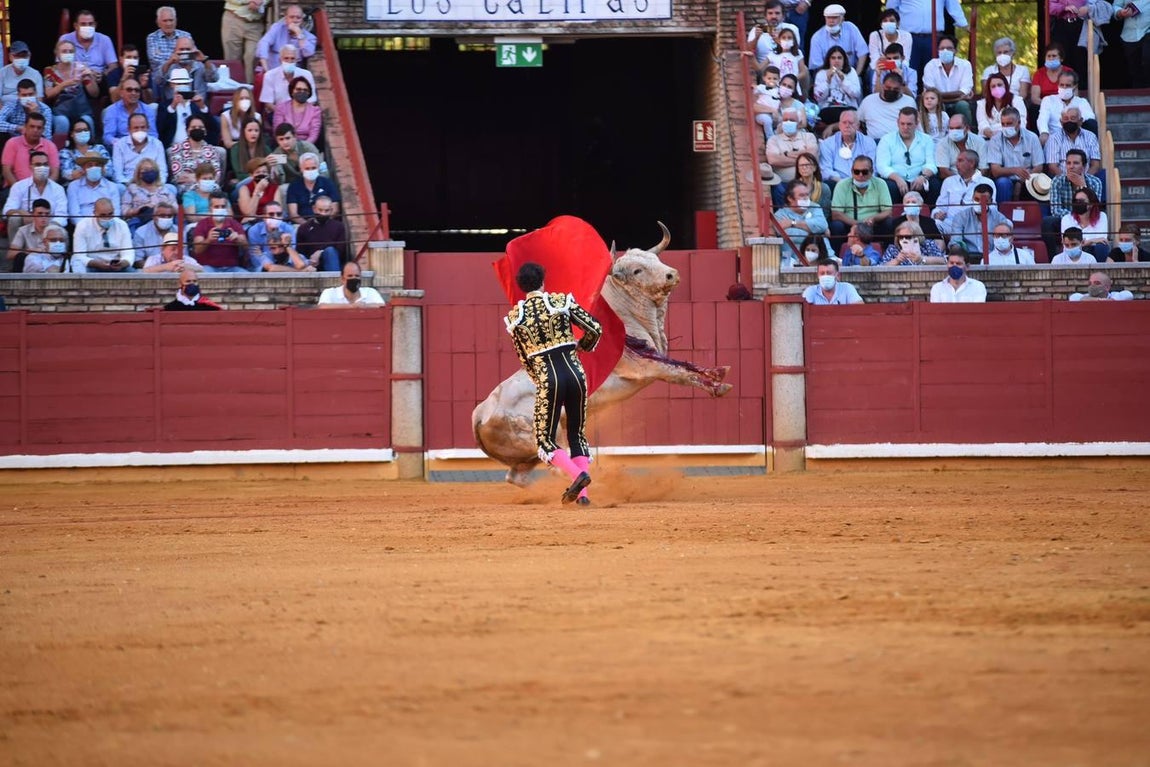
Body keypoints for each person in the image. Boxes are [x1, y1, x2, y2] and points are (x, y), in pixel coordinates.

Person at [503, 261, 601, 505]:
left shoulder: (516, 318)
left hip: (548, 377)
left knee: (545, 440)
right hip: (576, 374)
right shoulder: (560, 302)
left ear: (521, 287)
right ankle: (583, 497)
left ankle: (578, 476)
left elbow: (524, 358)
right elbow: (595, 328)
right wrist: (582, 347)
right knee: (576, 434)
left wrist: (541, 381)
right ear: (543, 281)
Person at [884, 0, 969, 76]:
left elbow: (953, 5)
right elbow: (891, 8)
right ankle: (909, 93)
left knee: (934, 71)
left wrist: (964, 24)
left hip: (934, 37)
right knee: (909, 70)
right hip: (909, 37)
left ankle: (932, 94)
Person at [1044, 149, 1103, 253]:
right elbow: (1055, 210)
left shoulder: (1095, 182)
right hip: (1064, 220)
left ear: (1084, 167)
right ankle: (1054, 258)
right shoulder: (1057, 181)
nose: (1071, 166)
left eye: (1075, 163)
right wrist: (1073, 217)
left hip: (1087, 220)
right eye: (1068, 163)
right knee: (1048, 222)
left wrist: (1083, 186)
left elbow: (1095, 208)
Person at [877, 107, 940, 204]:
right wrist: (898, 179)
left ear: (916, 123)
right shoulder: (886, 140)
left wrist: (923, 177)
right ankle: (892, 217)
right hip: (895, 180)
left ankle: (930, 216)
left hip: (919, 178)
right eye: (902, 124)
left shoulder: (927, 139)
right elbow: (882, 166)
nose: (905, 127)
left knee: (934, 184)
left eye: (909, 124)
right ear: (897, 122)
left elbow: (931, 164)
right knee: (888, 186)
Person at [986, 107, 1044, 202]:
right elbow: (995, 170)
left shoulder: (1032, 137)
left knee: (1036, 184)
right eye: (1003, 124)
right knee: (1003, 183)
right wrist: (1015, 170)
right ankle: (1002, 215)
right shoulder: (995, 140)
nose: (1006, 127)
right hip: (1006, 179)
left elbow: (1038, 166)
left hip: (1028, 178)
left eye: (1009, 124)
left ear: (1019, 123)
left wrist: (1021, 181)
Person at [42, 39, 99, 136]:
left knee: (87, 120)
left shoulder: (80, 68)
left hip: (82, 111)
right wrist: (65, 84)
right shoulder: (50, 71)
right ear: (57, 53)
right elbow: (49, 94)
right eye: (64, 51)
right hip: (60, 112)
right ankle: (58, 149)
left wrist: (90, 78)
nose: (67, 53)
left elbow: (94, 94)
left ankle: (91, 148)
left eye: (70, 51)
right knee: (62, 122)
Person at [830, 156, 893, 242]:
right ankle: (836, 254)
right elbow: (836, 214)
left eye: (865, 172)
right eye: (856, 172)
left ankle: (887, 252)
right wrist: (858, 224)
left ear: (871, 172)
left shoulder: (880, 184)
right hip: (850, 226)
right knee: (836, 225)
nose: (860, 175)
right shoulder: (842, 185)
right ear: (852, 172)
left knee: (889, 223)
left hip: (873, 226)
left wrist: (874, 218)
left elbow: (888, 211)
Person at [3, 152, 67, 231]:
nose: (42, 167)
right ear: (30, 166)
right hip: (26, 228)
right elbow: (7, 211)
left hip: (50, 228)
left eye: (45, 164)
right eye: (38, 164)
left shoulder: (58, 189)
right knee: (14, 218)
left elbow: (62, 216)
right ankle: (15, 243)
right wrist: (21, 212)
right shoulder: (19, 186)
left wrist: (48, 225)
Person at [932, 150, 989, 237]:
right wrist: (937, 214)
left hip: (975, 225)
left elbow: (992, 209)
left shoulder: (987, 182)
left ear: (972, 163)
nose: (956, 164)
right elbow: (940, 207)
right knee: (934, 224)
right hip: (950, 224)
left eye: (960, 160)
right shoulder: (949, 181)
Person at [765, 110, 818, 204]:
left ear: (799, 123)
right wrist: (803, 157)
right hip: (784, 184)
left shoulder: (809, 137)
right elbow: (773, 160)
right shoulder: (773, 140)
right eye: (785, 120)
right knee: (778, 188)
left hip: (807, 182)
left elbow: (811, 156)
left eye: (792, 120)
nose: (788, 122)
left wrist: (786, 154)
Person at [156, 68, 217, 147]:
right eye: (178, 84)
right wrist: (173, 106)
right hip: (174, 147)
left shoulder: (196, 104)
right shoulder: (165, 106)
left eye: (185, 83)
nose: (182, 86)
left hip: (198, 145)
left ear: (189, 85)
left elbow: (213, 128)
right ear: (172, 85)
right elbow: (161, 129)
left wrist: (203, 107)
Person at [921, 35, 974, 125]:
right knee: (937, 105)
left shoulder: (965, 65)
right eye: (942, 48)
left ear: (955, 51)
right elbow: (931, 93)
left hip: (957, 103)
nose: (945, 51)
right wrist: (957, 97)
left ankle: (968, 133)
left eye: (949, 48)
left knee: (963, 105)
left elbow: (964, 91)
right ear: (938, 51)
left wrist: (939, 96)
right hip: (939, 104)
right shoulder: (930, 66)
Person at [774, 181, 829, 265]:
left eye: (807, 194)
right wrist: (819, 233)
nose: (806, 198)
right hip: (794, 260)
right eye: (801, 195)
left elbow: (822, 225)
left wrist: (793, 223)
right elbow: (792, 236)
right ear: (790, 198)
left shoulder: (815, 207)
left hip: (825, 257)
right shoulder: (780, 215)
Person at [72, 198, 134, 273]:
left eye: (111, 214)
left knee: (134, 275)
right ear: (94, 213)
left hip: (116, 265)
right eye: (103, 215)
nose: (107, 218)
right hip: (92, 265)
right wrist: (97, 264)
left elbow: (128, 253)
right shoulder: (83, 226)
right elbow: (79, 255)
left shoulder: (122, 225)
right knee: (77, 263)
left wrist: (122, 263)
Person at [818, 109, 876, 187]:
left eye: (851, 123)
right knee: (827, 185)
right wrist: (842, 182)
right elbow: (825, 169)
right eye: (844, 122)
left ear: (857, 125)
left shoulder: (868, 142)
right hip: (837, 182)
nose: (847, 126)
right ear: (839, 125)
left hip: (863, 179)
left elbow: (872, 167)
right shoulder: (828, 143)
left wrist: (859, 179)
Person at [192, 192, 248, 272]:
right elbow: (197, 250)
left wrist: (237, 238)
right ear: (210, 208)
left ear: (226, 208)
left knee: (247, 277)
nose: (220, 209)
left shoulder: (234, 224)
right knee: (204, 274)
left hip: (232, 268)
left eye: (223, 206)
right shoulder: (202, 224)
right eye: (216, 207)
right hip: (208, 267)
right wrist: (208, 240)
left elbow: (246, 246)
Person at [121, 159, 177, 238]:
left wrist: (162, 207)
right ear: (139, 174)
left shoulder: (165, 189)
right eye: (146, 170)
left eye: (152, 170)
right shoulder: (131, 189)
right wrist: (139, 209)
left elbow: (176, 208)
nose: (149, 172)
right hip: (140, 220)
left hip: (164, 218)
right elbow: (124, 211)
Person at [153, 36, 217, 105]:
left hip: (197, 107)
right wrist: (169, 63)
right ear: (175, 51)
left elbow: (214, 79)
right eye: (181, 49)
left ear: (194, 50)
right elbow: (158, 81)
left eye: (188, 49)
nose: (185, 52)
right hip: (174, 107)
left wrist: (205, 61)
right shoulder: (168, 65)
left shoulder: (201, 65)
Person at [168, 115, 225, 192]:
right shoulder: (177, 149)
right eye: (193, 127)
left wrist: (192, 177)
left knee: (216, 189)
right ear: (187, 131)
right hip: (185, 187)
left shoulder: (212, 150)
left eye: (201, 127)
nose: (197, 129)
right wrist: (204, 178)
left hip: (209, 186)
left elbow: (216, 175)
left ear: (205, 131)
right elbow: (179, 177)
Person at [1037, 71, 1096, 144]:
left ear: (1075, 86)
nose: (1064, 88)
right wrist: (1044, 132)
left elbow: (1090, 118)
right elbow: (1043, 118)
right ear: (1058, 85)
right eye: (1062, 85)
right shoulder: (1048, 100)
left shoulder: (1082, 102)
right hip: (1054, 139)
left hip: (1076, 139)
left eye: (1068, 85)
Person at [2, 113, 59, 187]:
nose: (35, 130)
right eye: (32, 127)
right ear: (25, 127)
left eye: (39, 128)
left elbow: (55, 173)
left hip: (43, 190)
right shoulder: (12, 143)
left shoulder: (50, 146)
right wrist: (19, 190)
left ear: (43, 130)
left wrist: (45, 190)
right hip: (15, 188)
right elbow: (7, 171)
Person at [857, 71, 916, 141]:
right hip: (874, 143)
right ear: (882, 85)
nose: (891, 90)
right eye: (888, 87)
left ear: (901, 89)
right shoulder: (868, 100)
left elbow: (915, 126)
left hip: (900, 142)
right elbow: (857, 122)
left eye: (895, 89)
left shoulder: (909, 102)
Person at [1043, 107, 1101, 177]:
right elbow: (1052, 166)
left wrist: (1084, 180)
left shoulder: (1090, 136)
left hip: (1087, 181)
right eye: (1066, 119)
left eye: (1073, 118)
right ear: (1061, 122)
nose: (1069, 121)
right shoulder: (1054, 138)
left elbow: (1095, 165)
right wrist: (1068, 181)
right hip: (1062, 182)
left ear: (1080, 121)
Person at [257, 4, 317, 71]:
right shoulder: (277, 28)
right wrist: (266, 69)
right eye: (291, 17)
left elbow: (308, 53)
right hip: (273, 70)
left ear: (302, 20)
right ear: (286, 19)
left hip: (293, 74)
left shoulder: (309, 36)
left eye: (298, 18)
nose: (295, 20)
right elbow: (264, 43)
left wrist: (299, 34)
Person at [811, 46, 861, 125]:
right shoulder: (821, 73)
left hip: (848, 108)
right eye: (833, 58)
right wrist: (827, 81)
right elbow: (818, 97)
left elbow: (856, 94)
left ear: (844, 60)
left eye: (839, 58)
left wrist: (843, 80)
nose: (836, 61)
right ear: (829, 60)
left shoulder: (851, 72)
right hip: (828, 109)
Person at [111, 113, 166, 185]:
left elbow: (162, 171)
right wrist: (129, 184)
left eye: (143, 127)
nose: (140, 130)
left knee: (171, 188)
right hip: (128, 184)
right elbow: (117, 174)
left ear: (148, 128)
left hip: (152, 184)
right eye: (136, 128)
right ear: (129, 129)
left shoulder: (157, 144)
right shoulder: (119, 145)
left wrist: (155, 185)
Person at [66, 152, 120, 225]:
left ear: (102, 168)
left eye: (97, 165)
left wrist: (105, 225)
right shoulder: (74, 186)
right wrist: (87, 228)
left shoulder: (112, 187)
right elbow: (74, 214)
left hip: (107, 225)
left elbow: (116, 213)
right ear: (83, 169)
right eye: (90, 165)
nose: (93, 168)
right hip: (83, 228)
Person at [58, 10, 118, 76]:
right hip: (73, 78)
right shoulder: (65, 39)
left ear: (95, 25)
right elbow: (59, 64)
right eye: (83, 24)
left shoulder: (105, 39)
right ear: (76, 26)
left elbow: (113, 66)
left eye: (90, 24)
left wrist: (102, 75)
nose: (87, 27)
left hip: (99, 79)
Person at [259, 46, 316, 113]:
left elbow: (312, 100)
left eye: (292, 58)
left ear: (297, 60)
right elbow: (268, 103)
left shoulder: (307, 75)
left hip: (302, 113)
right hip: (278, 113)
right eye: (286, 58)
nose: (289, 61)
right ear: (280, 60)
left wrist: (298, 114)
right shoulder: (270, 75)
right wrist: (285, 115)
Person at [221, 0, 268, 82]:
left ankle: (250, 90)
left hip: (256, 23)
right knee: (232, 59)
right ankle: (235, 91)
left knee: (253, 57)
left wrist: (261, 1)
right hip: (233, 19)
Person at [287, 153, 340, 223]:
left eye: (313, 168)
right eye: (307, 168)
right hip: (302, 225)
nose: (310, 171)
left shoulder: (328, 183)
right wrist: (308, 226)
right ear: (301, 169)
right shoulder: (294, 186)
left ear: (318, 167)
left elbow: (335, 209)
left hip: (326, 223)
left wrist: (322, 223)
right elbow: (293, 214)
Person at [295, 196, 345, 271]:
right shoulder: (304, 228)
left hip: (332, 263)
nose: (323, 214)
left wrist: (320, 252)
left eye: (326, 211)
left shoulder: (339, 226)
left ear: (331, 210)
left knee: (330, 251)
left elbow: (340, 250)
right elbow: (300, 252)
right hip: (310, 265)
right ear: (314, 209)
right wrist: (310, 261)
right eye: (320, 210)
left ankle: (333, 280)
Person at [1060, 187, 1109, 260]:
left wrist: (1082, 242)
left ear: (1091, 204)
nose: (1077, 203)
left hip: (1094, 251)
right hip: (1073, 252)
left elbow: (1102, 239)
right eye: (1075, 201)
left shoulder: (1101, 216)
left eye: (1081, 201)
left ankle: (1099, 270)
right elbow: (1069, 242)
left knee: (1101, 247)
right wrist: (1092, 241)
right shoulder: (1067, 219)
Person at [6, 199, 54, 272]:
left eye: (47, 214)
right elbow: (10, 255)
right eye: (40, 214)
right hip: (29, 265)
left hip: (50, 265)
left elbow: (63, 253)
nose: (44, 217)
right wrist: (30, 251)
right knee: (20, 257)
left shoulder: (56, 230)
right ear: (33, 214)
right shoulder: (23, 230)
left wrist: (44, 251)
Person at [976, 74, 1027, 139]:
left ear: (1006, 86)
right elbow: (982, 123)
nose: (997, 88)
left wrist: (1004, 133)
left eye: (999, 85)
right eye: (993, 86)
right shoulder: (982, 103)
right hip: (989, 138)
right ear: (989, 89)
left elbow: (1021, 122)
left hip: (1013, 138)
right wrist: (992, 134)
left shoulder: (1017, 100)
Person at [247, 199, 296, 268]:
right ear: (264, 217)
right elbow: (255, 258)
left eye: (279, 214)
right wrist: (270, 266)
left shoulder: (289, 229)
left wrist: (263, 255)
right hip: (261, 270)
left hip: (286, 265)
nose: (275, 217)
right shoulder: (254, 230)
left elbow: (292, 254)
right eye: (271, 214)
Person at [58, 118, 109, 183]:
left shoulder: (99, 148)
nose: (83, 132)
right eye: (79, 130)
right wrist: (95, 170)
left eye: (85, 130)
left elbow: (109, 170)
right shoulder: (65, 152)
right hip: (76, 185)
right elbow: (66, 174)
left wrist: (83, 171)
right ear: (71, 134)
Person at [318, 261, 386, 307]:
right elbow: (322, 306)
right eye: (350, 276)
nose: (354, 278)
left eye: (357, 276)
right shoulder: (330, 293)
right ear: (342, 279)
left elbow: (382, 306)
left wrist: (364, 306)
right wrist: (351, 307)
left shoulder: (370, 292)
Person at [133, 201, 182, 266]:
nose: (166, 218)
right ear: (153, 216)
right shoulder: (141, 232)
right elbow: (138, 260)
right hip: (150, 272)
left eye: (169, 216)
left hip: (176, 270)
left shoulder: (179, 231)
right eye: (162, 215)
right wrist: (159, 270)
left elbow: (184, 257)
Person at [146, 6, 192, 72]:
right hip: (161, 74)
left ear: (176, 21)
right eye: (165, 21)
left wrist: (165, 55)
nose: (168, 23)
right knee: (173, 67)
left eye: (171, 20)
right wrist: (180, 56)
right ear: (158, 23)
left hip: (186, 70)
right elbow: (155, 59)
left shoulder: (186, 35)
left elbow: (192, 56)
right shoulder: (152, 37)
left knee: (199, 66)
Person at [880, 220, 945, 265]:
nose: (904, 239)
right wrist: (897, 260)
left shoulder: (928, 244)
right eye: (901, 237)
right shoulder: (893, 248)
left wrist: (922, 259)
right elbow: (881, 267)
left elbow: (943, 261)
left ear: (917, 235)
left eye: (908, 237)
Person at [1117, 0, 1150, 87]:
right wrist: (1120, 12)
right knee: (1135, 71)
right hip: (1129, 35)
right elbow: (1115, 6)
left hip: (1147, 30)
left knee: (1147, 58)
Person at [1, 42, 45, 108]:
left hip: (29, 110)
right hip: (5, 111)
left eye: (24, 56)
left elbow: (39, 100)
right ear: (10, 57)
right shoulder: (2, 73)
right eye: (17, 56)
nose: (21, 59)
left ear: (29, 56)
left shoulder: (36, 74)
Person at [1069, 272, 1134, 301]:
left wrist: (1110, 300)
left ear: (1107, 287)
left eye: (1097, 283)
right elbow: (1073, 297)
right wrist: (1100, 300)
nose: (1092, 286)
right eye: (1090, 283)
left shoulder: (1113, 295)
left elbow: (1128, 295)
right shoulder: (1085, 296)